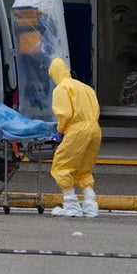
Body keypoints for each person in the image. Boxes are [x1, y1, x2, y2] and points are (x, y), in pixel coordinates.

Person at [48, 57, 102, 217]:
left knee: (61, 166)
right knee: (84, 168)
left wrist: (60, 130)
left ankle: (71, 205)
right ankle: (90, 204)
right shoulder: (85, 88)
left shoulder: (61, 88)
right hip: (94, 128)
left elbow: (65, 114)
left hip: (77, 129)